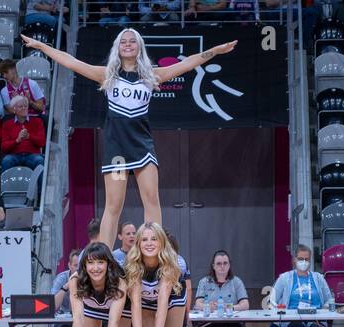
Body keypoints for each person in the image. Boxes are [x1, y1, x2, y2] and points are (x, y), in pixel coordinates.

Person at [21, 27, 236, 247]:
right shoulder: (108, 75)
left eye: (132, 41)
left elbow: (187, 63)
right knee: (113, 206)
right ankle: (104, 256)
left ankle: (154, 252)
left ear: (139, 46)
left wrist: (215, 51)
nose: (128, 45)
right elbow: (71, 62)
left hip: (142, 146)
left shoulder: (151, 75)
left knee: (152, 200)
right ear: (117, 47)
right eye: (123, 42)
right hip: (117, 149)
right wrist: (41, 46)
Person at [125, 221, 188, 327]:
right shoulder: (133, 265)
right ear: (138, 243)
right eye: (144, 239)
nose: (149, 243)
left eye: (154, 239)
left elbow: (163, 300)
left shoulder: (171, 263)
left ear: (161, 242)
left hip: (172, 297)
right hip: (145, 301)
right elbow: (135, 303)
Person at [0, 94, 46, 171]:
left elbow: (42, 142)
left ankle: (41, 183)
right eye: (21, 106)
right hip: (14, 155)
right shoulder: (7, 124)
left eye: (25, 106)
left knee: (39, 160)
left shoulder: (37, 121)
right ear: (14, 110)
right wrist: (17, 140)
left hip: (32, 155)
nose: (24, 108)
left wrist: (29, 136)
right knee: (6, 161)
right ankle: (6, 183)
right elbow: (4, 147)